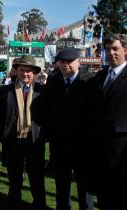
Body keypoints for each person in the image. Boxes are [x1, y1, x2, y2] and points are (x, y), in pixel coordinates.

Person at [44, 48, 93, 210]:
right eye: (62, 61)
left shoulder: (89, 81)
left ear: (78, 62)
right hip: (59, 144)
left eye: (69, 61)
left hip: (83, 145)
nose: (65, 64)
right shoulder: (53, 81)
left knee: (84, 187)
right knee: (61, 185)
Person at [0, 55, 47, 210]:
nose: (25, 74)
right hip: (13, 141)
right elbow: (0, 116)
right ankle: (14, 204)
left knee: (36, 179)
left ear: (34, 73)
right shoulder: (6, 90)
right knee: (14, 178)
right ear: (16, 71)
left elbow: (47, 117)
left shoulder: (42, 91)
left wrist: (43, 137)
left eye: (29, 71)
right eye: (22, 70)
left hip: (34, 142)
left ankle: (39, 204)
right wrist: (3, 136)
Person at [86, 34, 127, 210]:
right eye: (107, 49)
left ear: (125, 50)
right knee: (104, 197)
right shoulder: (101, 76)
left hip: (122, 150)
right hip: (99, 148)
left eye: (115, 48)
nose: (111, 53)